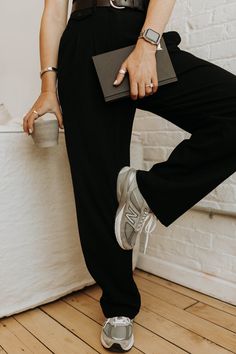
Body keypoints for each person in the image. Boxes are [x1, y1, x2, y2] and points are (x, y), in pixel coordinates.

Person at [23, 0, 236, 352]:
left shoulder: (145, 41)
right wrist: (49, 88)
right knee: (96, 180)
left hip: (138, 32)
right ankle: (118, 307)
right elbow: (54, 12)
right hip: (83, 39)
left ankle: (147, 193)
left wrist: (147, 44)